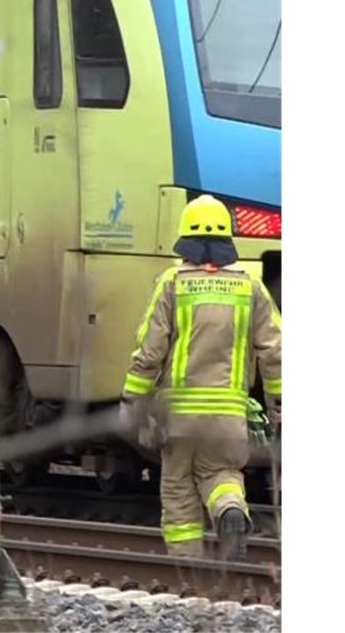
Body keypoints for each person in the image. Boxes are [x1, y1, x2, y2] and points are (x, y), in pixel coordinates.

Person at [119, 195, 281, 562]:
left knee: (178, 491)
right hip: (228, 418)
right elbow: (276, 351)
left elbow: (149, 350)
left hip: (178, 417)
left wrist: (132, 402)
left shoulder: (172, 284)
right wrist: (278, 406)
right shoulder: (250, 287)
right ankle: (230, 509)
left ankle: (187, 573)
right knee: (222, 473)